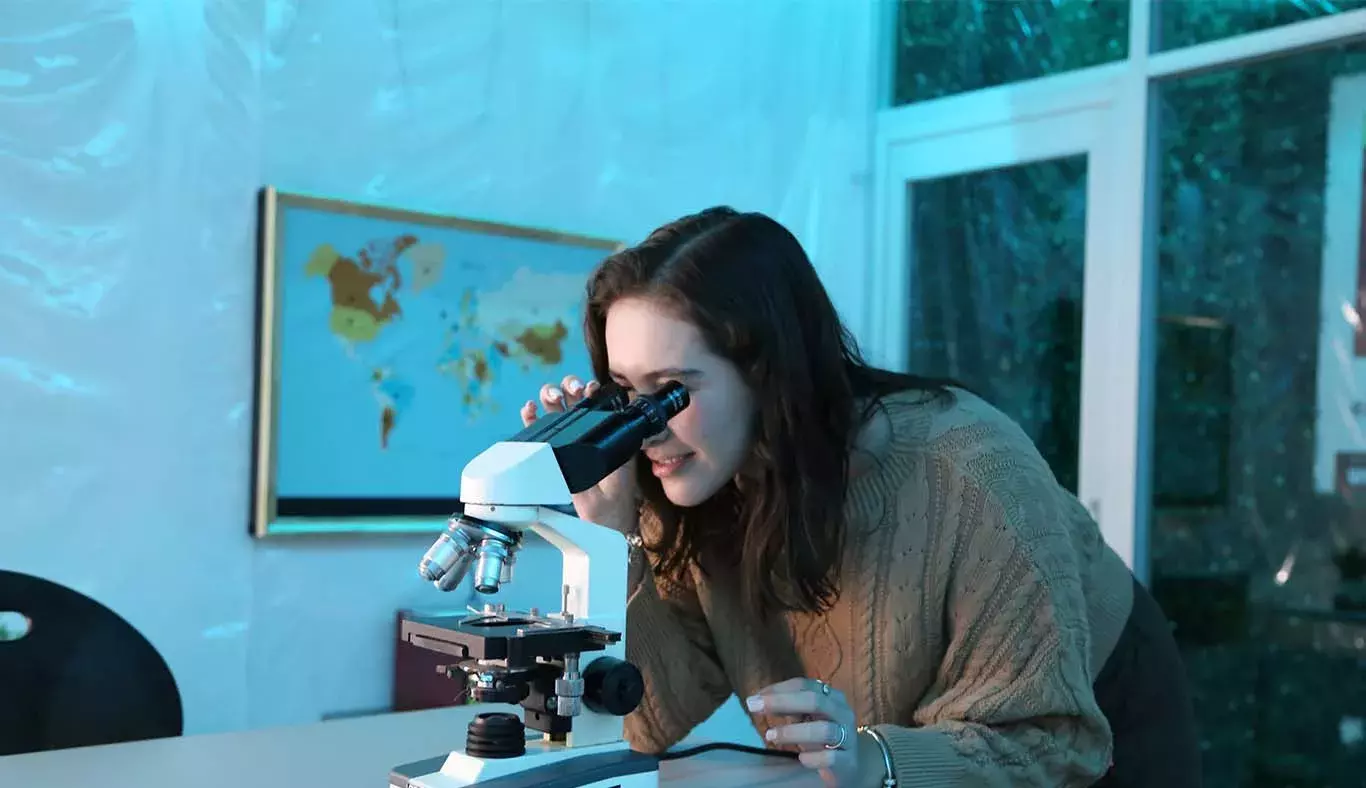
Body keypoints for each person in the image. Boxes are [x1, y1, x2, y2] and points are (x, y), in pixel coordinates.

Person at [519, 207, 1200, 787]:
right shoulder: (689, 482)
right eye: (627, 393)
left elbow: (1053, 742)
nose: (648, 427)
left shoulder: (970, 469)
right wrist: (608, 534)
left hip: (1092, 717)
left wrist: (877, 758)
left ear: (767, 372)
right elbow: (647, 723)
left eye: (671, 390)